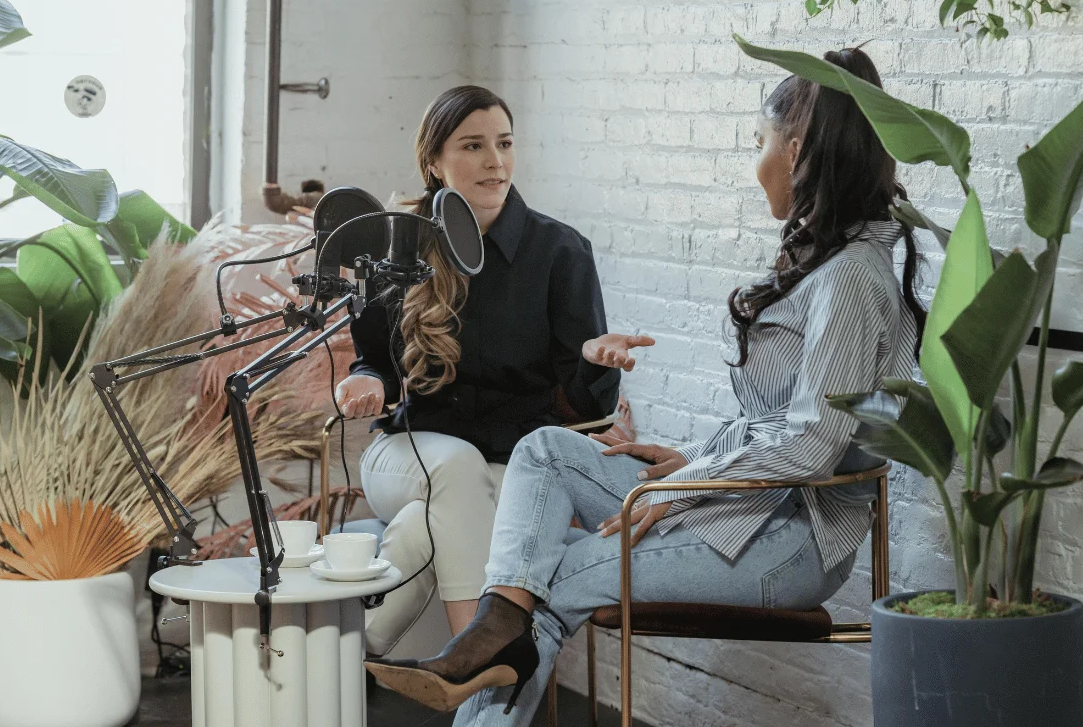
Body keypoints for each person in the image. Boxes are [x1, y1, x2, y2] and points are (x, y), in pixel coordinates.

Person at [365, 47, 926, 725]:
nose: (756, 165)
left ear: (798, 149)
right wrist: (694, 461)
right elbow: (779, 421)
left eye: (759, 144)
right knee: (543, 454)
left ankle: (486, 640)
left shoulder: (850, 278)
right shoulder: (830, 263)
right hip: (743, 504)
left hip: (786, 540)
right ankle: (491, 630)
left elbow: (811, 443)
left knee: (539, 592)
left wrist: (685, 484)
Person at [334, 85, 652, 655]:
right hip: (407, 453)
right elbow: (375, 366)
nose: (495, 161)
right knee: (457, 470)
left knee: (426, 526)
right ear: (433, 162)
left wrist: (594, 362)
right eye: (474, 145)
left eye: (504, 143)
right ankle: (478, 658)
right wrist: (366, 382)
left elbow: (590, 411)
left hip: (514, 466)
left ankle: (351, 647)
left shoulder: (560, 252)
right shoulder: (397, 248)